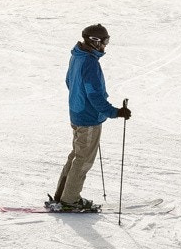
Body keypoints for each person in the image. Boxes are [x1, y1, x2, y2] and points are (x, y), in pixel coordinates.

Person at [50, 24, 130, 212]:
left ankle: (62, 195)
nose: (105, 46)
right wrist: (115, 112)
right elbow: (94, 95)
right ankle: (69, 199)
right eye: (104, 41)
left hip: (78, 113)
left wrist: (80, 103)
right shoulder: (90, 63)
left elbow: (69, 81)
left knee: (76, 155)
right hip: (88, 118)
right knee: (83, 159)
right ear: (94, 42)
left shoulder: (77, 56)